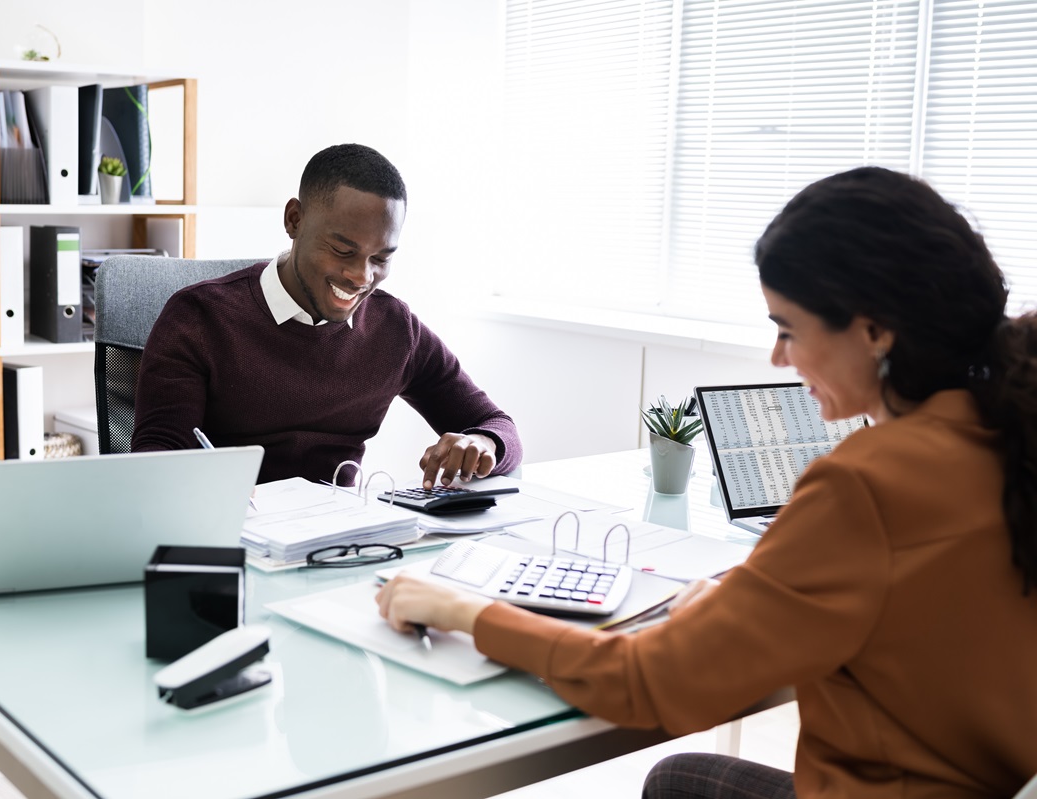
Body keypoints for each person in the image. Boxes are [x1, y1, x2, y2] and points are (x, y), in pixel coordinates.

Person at [377, 166, 1037, 798]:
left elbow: (652, 685)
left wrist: (466, 611)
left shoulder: (869, 482)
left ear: (873, 330)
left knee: (677, 778)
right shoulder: (1010, 423)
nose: (778, 357)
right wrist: (748, 607)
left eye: (787, 330)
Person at [131, 143, 521, 487]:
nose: (362, 277)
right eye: (343, 251)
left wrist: (481, 444)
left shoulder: (395, 330)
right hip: (230, 537)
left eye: (381, 258)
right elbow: (156, 462)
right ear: (294, 220)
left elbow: (499, 427)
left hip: (342, 544)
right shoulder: (199, 318)